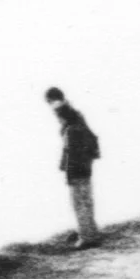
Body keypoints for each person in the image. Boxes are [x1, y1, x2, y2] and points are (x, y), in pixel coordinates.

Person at [44, 87, 100, 246]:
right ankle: (91, 233)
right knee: (86, 201)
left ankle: (87, 237)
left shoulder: (70, 125)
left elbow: (70, 151)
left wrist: (67, 172)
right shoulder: (77, 117)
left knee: (79, 202)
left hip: (77, 168)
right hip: (85, 166)